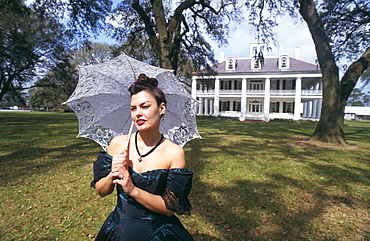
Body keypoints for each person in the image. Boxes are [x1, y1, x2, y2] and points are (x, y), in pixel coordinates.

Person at [91, 74, 194, 241]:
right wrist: (113, 172)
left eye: (144, 106)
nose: (137, 114)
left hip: (158, 234)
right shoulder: (117, 144)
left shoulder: (174, 153)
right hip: (118, 230)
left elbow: (170, 208)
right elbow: (101, 191)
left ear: (161, 108)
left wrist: (132, 190)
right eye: (133, 108)